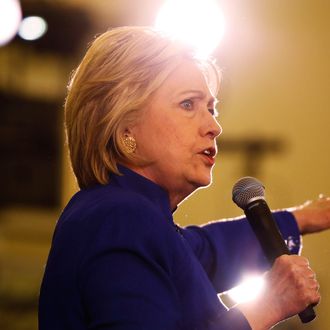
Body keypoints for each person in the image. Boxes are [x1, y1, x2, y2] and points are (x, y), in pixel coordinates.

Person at [38, 26, 330, 330]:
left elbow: (208, 251)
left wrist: (306, 217)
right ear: (126, 130)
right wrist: (268, 306)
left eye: (212, 108)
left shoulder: (125, 215)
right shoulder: (119, 217)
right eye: (188, 104)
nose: (214, 127)